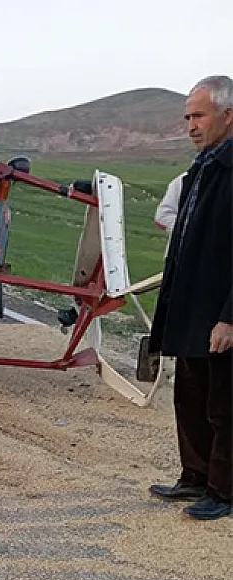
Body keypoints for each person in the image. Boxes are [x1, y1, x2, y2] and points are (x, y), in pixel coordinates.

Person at [147, 75, 233, 521]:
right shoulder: (203, 166)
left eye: (199, 115)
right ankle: (195, 477)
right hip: (192, 304)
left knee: (225, 404)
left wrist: (229, 318)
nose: (191, 126)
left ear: (228, 115)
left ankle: (224, 491)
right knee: (192, 395)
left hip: (221, 309)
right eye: (187, 117)